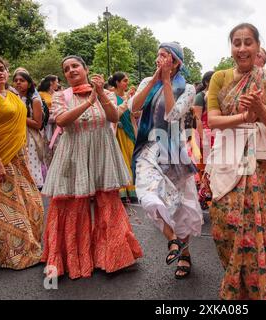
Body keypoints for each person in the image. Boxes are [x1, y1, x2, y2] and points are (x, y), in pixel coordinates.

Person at [41, 55, 143, 280]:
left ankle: (115, 257)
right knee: (72, 205)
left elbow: (114, 116)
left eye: (75, 66)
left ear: (85, 69)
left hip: (102, 150)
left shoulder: (105, 93)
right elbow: (61, 121)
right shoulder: (61, 95)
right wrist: (88, 102)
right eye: (66, 69)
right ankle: (71, 259)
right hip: (73, 152)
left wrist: (99, 95)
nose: (71, 70)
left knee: (108, 202)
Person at [207, 23, 266, 300]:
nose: (242, 48)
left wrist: (260, 109)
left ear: (257, 47)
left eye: (248, 42)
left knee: (261, 231)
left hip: (259, 163)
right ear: (231, 47)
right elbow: (213, 120)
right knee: (224, 227)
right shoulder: (219, 78)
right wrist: (244, 116)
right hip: (227, 157)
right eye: (236, 43)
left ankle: (261, 290)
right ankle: (236, 286)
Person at [128, 42, 203, 280]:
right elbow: (133, 108)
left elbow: (172, 115)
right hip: (148, 148)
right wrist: (153, 81)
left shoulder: (188, 88)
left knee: (181, 205)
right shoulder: (146, 83)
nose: (159, 59)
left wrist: (168, 82)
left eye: (165, 56)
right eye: (158, 55)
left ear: (177, 63)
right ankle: (172, 238)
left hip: (173, 151)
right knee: (148, 195)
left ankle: (184, 252)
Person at [0, 56, 43, 269]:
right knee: (7, 210)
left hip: (17, 159)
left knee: (33, 204)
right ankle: (15, 254)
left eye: (2, 68)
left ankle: (5, 250)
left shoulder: (12, 96)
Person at [12, 70, 45, 190]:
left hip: (29, 138)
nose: (18, 83)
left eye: (22, 80)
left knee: (31, 166)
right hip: (15, 136)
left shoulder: (34, 100)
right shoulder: (12, 98)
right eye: (16, 81)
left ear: (29, 84)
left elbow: (37, 124)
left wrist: (20, 116)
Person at [109, 72, 138, 203]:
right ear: (117, 82)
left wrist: (135, 100)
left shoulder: (129, 97)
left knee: (131, 160)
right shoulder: (111, 97)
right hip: (117, 132)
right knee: (120, 161)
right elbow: (112, 113)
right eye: (124, 81)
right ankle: (122, 192)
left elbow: (136, 114)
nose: (127, 83)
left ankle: (132, 191)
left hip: (129, 131)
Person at [193, 70, 215, 210]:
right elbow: (197, 119)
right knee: (205, 168)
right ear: (207, 82)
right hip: (205, 135)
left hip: (218, 134)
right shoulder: (200, 97)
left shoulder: (217, 96)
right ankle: (203, 196)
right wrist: (203, 139)